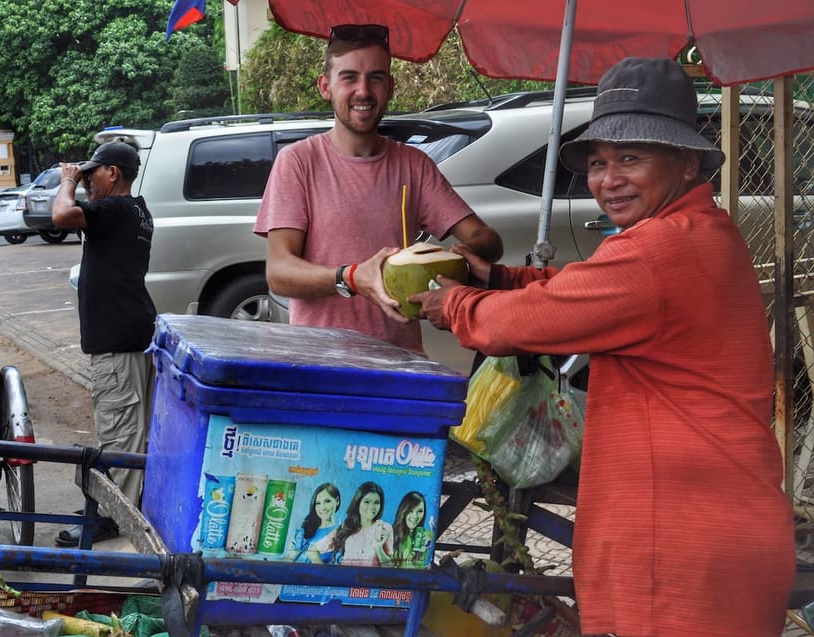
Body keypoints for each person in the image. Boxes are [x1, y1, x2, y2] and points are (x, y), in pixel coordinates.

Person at [411, 57, 795, 637]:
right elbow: (572, 290)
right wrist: (492, 279)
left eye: (630, 159)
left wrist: (455, 305)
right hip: (701, 534)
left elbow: (514, 324)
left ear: (687, 162)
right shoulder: (694, 234)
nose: (608, 179)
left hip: (685, 548)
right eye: (597, 162)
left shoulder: (659, 252)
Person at [253, 23, 503, 355]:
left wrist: (454, 259)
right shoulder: (298, 162)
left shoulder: (413, 165)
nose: (363, 90)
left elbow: (487, 239)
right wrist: (353, 278)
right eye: (349, 77)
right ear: (326, 86)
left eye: (376, 77)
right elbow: (279, 272)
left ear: (390, 86)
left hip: (401, 362)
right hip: (321, 364)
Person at [51, 141, 157, 546]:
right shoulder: (139, 212)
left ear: (113, 173)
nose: (88, 179)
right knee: (134, 429)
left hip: (117, 341)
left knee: (120, 430)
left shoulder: (115, 209)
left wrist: (67, 181)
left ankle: (116, 516)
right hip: (132, 332)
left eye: (94, 172)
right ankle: (123, 505)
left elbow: (61, 214)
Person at [312, 481, 392, 566]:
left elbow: (389, 568)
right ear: (358, 503)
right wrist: (324, 574)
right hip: (345, 578)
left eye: (376, 502)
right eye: (367, 502)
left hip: (370, 579)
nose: (372, 507)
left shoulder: (385, 528)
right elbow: (313, 551)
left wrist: (379, 548)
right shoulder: (347, 526)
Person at [290, 482, 341, 563]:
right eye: (318, 503)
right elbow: (288, 559)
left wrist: (315, 557)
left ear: (337, 500)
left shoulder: (340, 533)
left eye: (327, 501)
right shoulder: (307, 528)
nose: (322, 507)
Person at [390, 491, 432, 569]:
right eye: (410, 511)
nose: (415, 516)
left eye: (419, 511)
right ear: (403, 511)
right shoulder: (390, 533)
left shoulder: (426, 537)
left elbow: (426, 568)